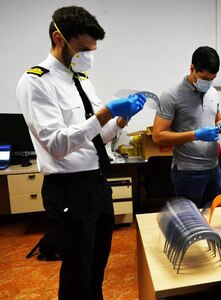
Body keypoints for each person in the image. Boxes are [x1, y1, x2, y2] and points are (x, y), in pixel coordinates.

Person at [16, 6, 146, 299]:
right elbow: (58, 144)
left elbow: (98, 136)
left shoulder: (82, 81)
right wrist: (106, 112)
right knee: (77, 270)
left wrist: (121, 120)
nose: (88, 55)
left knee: (98, 264)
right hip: (68, 189)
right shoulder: (36, 81)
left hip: (96, 183)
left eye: (92, 49)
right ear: (58, 39)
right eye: (82, 48)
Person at [152, 46, 221, 208]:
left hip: (214, 169)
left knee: (211, 219)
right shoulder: (171, 95)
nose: (208, 83)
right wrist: (196, 134)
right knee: (190, 224)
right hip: (188, 172)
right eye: (204, 78)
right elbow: (158, 136)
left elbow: (216, 119)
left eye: (212, 79)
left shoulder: (213, 93)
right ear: (192, 68)